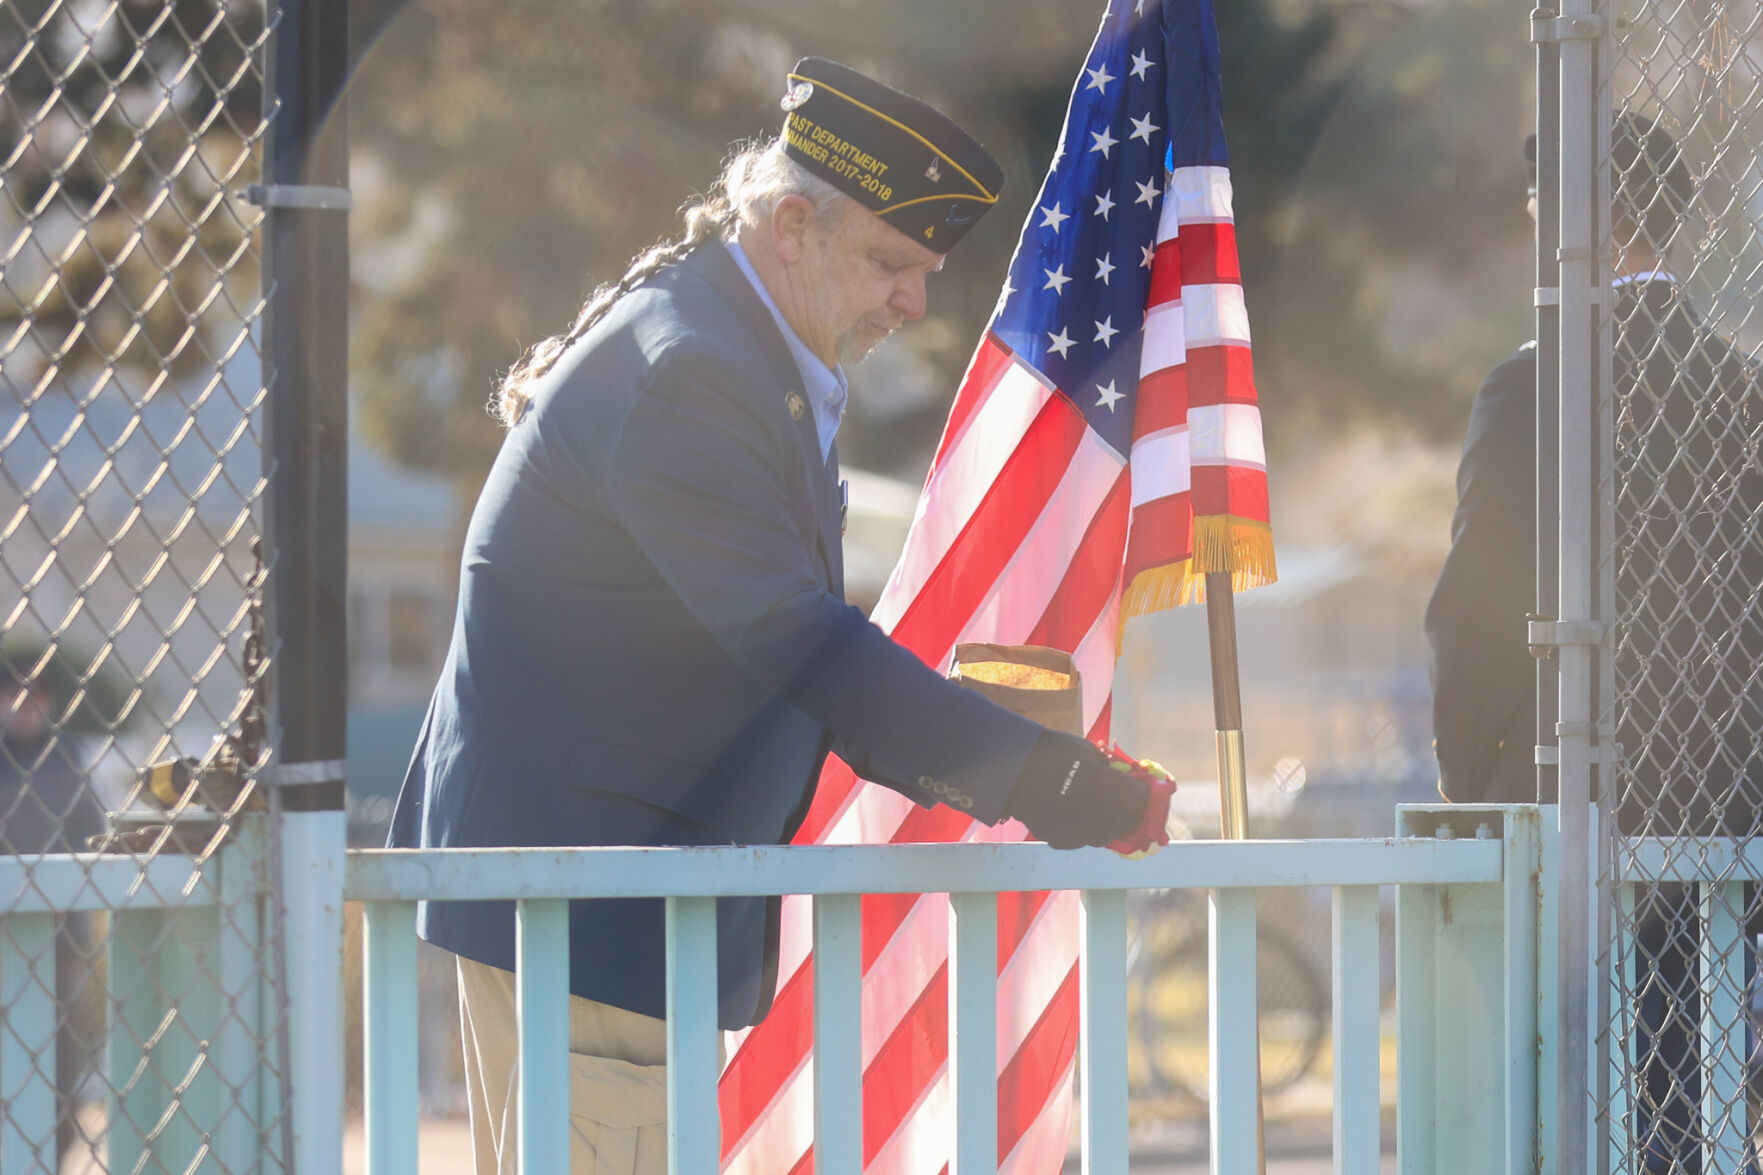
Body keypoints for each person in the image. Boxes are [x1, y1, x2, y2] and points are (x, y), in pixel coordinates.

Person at [387, 58, 1154, 1173]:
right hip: (591, 895)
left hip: (601, 884)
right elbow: (796, 640)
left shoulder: (724, 343)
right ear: (793, 223)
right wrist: (1055, 780)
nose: (914, 299)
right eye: (893, 262)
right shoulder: (697, 369)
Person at [1426, 112, 1763, 1172]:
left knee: (1550, 1104)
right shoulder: (1736, 387)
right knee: (1692, 1093)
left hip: (1556, 797)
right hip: (1719, 804)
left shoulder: (1531, 385)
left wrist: (1463, 783)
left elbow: (1471, 613)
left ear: (1566, 226)